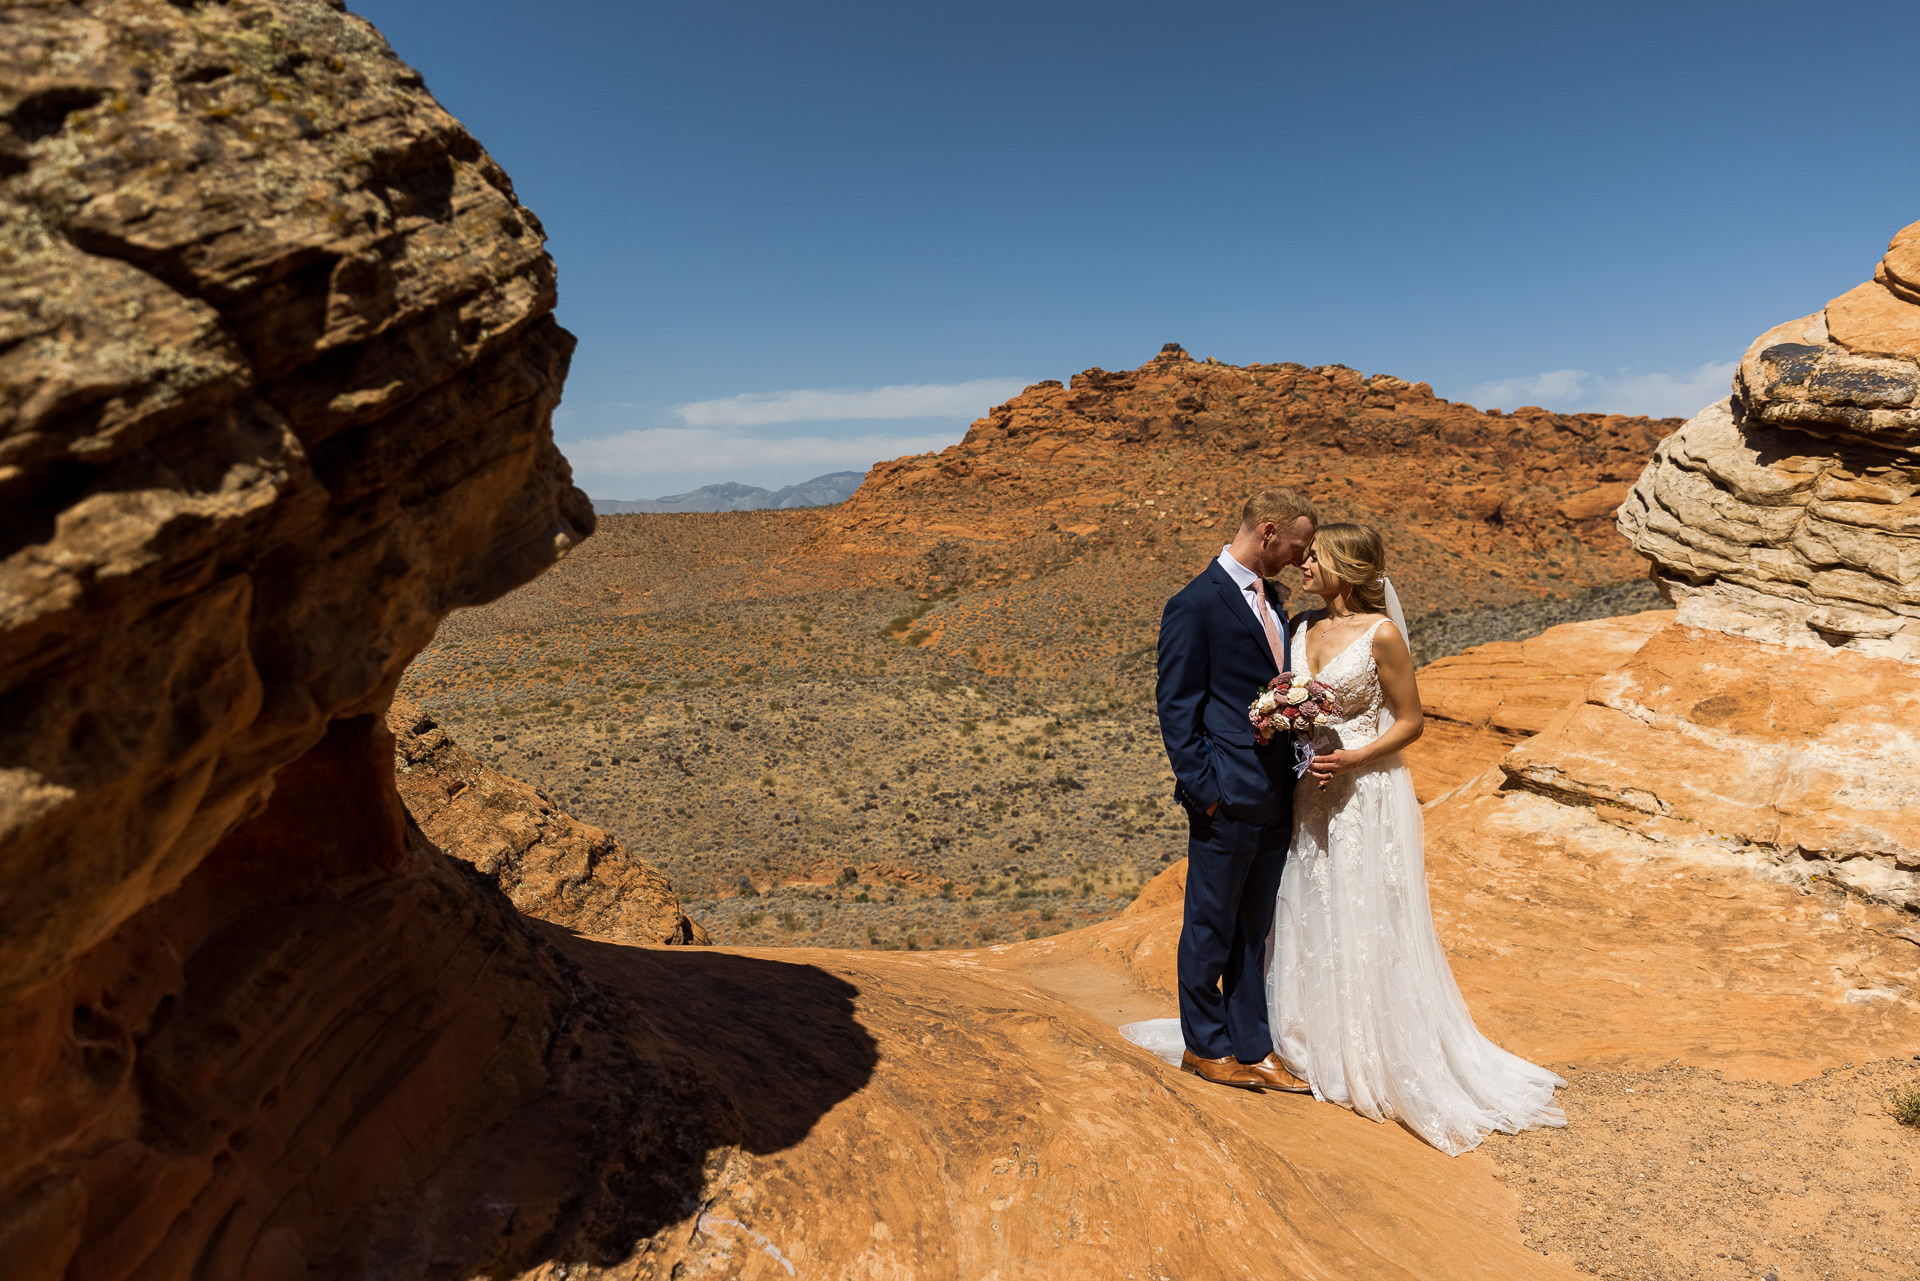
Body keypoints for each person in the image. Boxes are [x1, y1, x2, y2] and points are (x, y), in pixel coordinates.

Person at [1271, 522, 1565, 1153]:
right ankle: (1311, 1038)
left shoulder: (1382, 635)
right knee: (1312, 899)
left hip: (1364, 788)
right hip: (1310, 789)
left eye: (1314, 558)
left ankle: (1374, 1048)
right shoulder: (1300, 629)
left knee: (1364, 904)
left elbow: (1411, 721)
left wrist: (1356, 757)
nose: (1303, 566)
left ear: (1344, 567)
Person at [1141, 488, 1319, 1091]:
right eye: (1298, 545)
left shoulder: (1274, 601)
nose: (1302, 559)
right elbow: (1177, 707)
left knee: (1255, 925)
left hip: (1276, 792)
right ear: (1268, 532)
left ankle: (1252, 1045)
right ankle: (1205, 1045)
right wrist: (1205, 789)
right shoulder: (1195, 604)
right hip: (1227, 793)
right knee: (1210, 923)